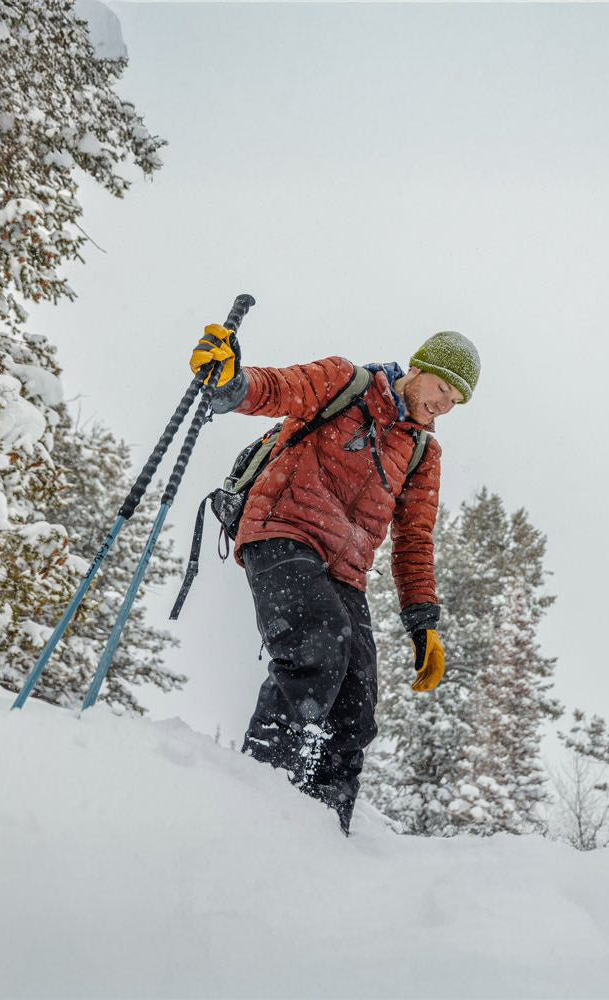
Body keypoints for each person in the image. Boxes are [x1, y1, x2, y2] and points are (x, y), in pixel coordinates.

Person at [188, 324, 480, 833]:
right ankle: (257, 797)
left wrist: (422, 622)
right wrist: (232, 383)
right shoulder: (348, 383)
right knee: (317, 644)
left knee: (357, 699)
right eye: (442, 389)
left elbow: (414, 540)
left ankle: (325, 830)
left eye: (457, 400)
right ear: (419, 368)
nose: (445, 406)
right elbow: (276, 388)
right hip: (281, 531)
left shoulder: (422, 454)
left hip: (345, 572)